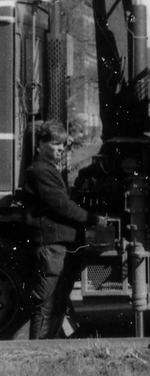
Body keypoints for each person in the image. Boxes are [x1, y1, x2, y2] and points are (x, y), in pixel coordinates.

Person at [24, 120, 99, 339]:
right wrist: (93, 219)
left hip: (57, 245)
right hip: (51, 245)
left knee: (56, 303)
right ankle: (38, 353)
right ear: (40, 145)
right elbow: (61, 205)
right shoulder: (39, 171)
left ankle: (49, 350)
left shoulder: (46, 170)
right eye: (55, 144)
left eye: (62, 145)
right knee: (46, 304)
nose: (60, 149)